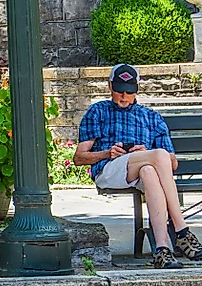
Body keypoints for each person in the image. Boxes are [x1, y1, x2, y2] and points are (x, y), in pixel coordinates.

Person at [75, 63, 202, 269]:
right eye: (119, 90)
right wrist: (108, 152)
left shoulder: (151, 117)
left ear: (137, 89)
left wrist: (145, 154)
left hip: (140, 171)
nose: (123, 96)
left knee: (150, 170)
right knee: (157, 156)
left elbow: (172, 163)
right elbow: (79, 157)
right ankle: (182, 230)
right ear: (109, 86)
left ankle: (161, 250)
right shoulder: (98, 111)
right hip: (109, 169)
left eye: (129, 91)